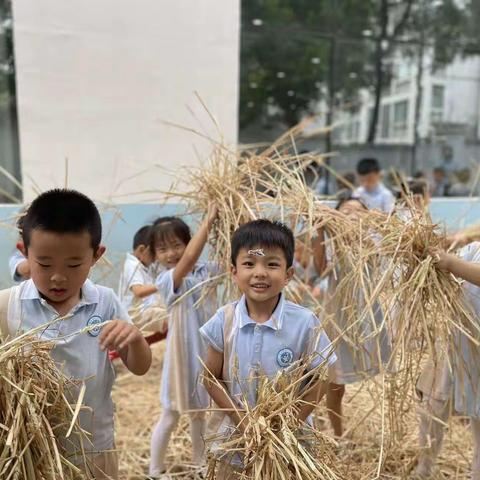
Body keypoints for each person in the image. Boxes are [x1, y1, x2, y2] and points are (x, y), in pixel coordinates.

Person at [0, 189, 152, 480]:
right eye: (43, 264)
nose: (58, 277)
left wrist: (133, 337)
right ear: (24, 253)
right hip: (32, 457)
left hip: (94, 452)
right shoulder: (7, 306)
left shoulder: (105, 302)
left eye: (73, 265)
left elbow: (141, 366)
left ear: (97, 255)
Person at [200, 219, 336, 478]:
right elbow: (210, 376)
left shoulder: (304, 322)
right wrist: (243, 422)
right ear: (233, 271)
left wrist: (288, 425)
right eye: (249, 264)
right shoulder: (223, 319)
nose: (260, 272)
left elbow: (323, 376)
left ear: (288, 274)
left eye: (272, 264)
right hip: (234, 443)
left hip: (289, 446)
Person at [149, 208, 219, 479]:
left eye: (176, 245)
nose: (171, 253)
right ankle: (155, 470)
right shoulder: (166, 280)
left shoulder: (207, 271)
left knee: (199, 414)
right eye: (162, 249)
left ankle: (201, 465)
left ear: (189, 241)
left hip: (204, 353)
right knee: (170, 414)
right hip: (181, 356)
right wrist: (209, 219)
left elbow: (233, 259)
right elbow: (189, 259)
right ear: (155, 255)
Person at [314, 196, 391, 438]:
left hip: (365, 318)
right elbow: (320, 269)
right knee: (334, 385)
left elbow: (376, 258)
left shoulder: (371, 243)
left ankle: (380, 434)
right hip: (338, 319)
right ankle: (338, 435)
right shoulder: (332, 247)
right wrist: (320, 229)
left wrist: (364, 229)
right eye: (345, 210)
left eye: (358, 211)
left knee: (377, 374)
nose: (352, 214)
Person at [413, 242, 480, 479]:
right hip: (453, 345)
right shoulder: (474, 249)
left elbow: (453, 263)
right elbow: (442, 260)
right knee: (432, 407)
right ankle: (424, 467)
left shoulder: (464, 258)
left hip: (477, 353)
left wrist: (450, 262)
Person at [118, 225, 166, 334]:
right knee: (168, 317)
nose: (156, 258)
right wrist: (162, 284)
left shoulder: (146, 266)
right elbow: (139, 291)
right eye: (154, 254)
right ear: (141, 250)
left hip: (144, 312)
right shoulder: (132, 265)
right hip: (134, 315)